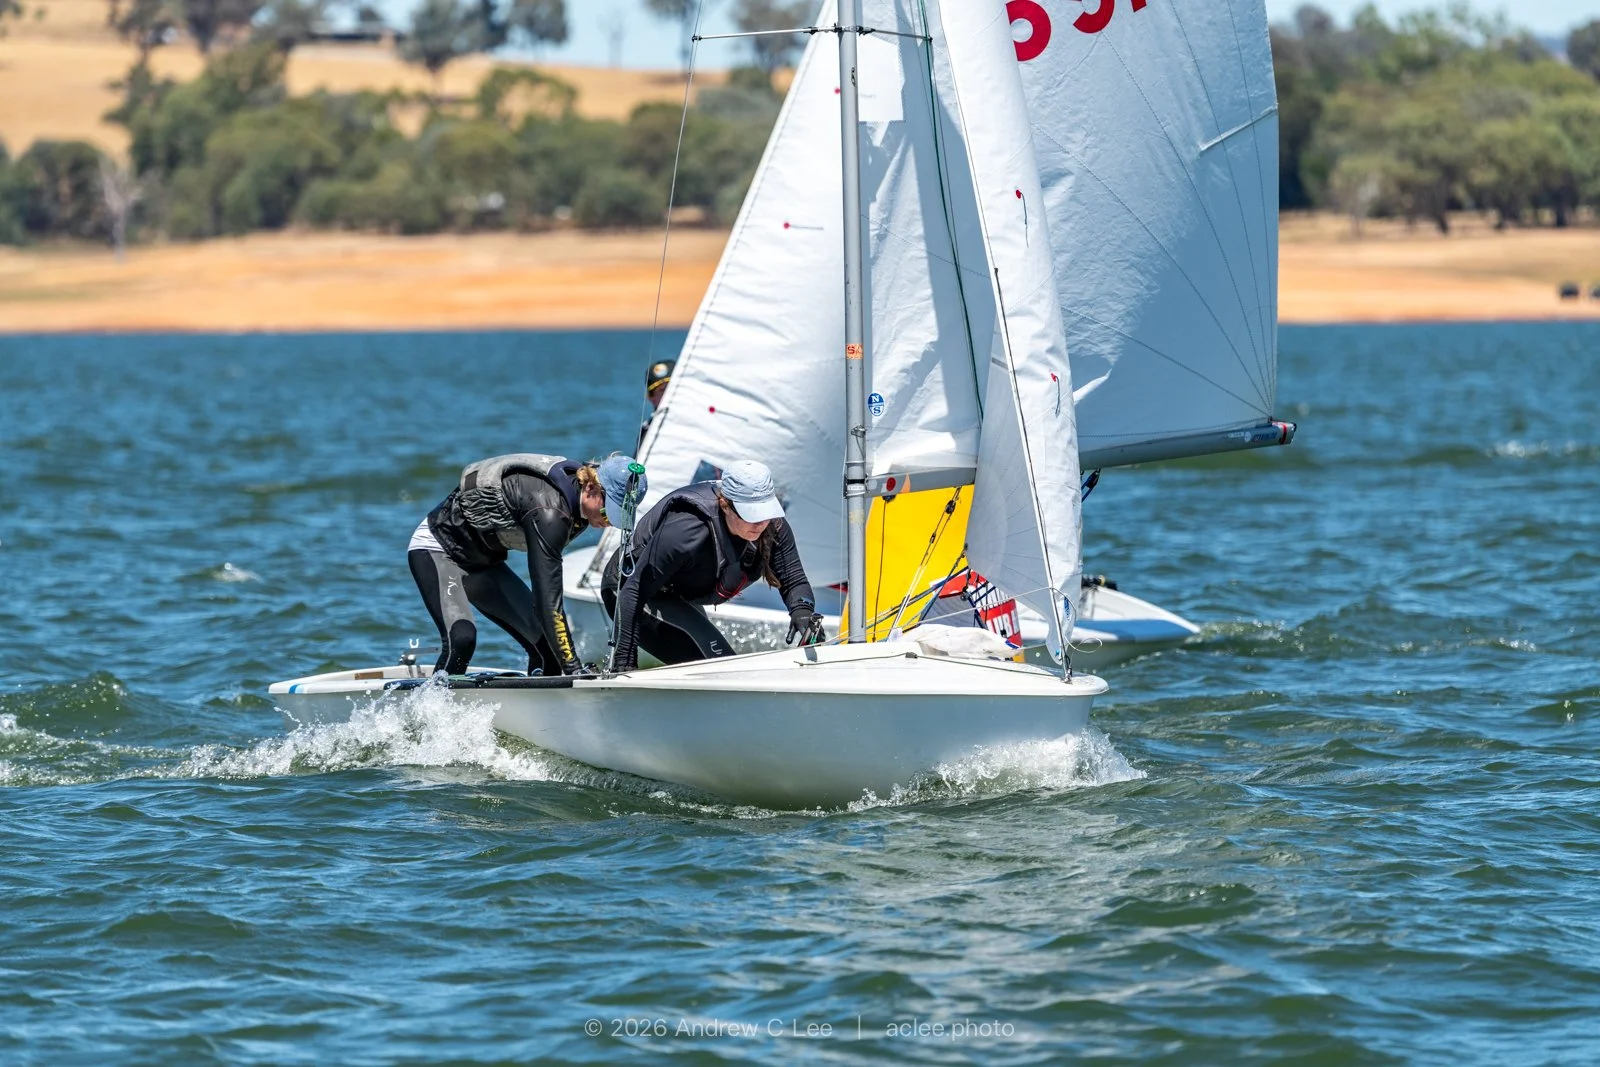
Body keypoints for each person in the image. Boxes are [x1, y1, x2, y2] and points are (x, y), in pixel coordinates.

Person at [409, 453, 646, 677]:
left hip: (485, 564)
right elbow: (548, 601)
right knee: (462, 640)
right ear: (591, 487)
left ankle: (545, 704)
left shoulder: (580, 502)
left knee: (548, 647)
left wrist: (569, 670)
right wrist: (574, 670)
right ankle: (432, 703)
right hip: (439, 549)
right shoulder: (550, 513)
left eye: (618, 514)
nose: (608, 521)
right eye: (607, 510)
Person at [603, 459, 824, 673]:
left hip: (675, 593)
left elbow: (794, 580)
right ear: (725, 505)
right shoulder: (687, 529)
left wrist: (802, 611)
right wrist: (625, 662)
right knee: (723, 669)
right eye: (751, 514)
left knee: (720, 666)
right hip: (628, 590)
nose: (760, 523)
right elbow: (634, 590)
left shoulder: (772, 526)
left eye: (765, 511)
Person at [637, 358, 675, 449]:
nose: (670, 393)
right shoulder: (648, 432)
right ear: (651, 398)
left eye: (673, 387)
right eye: (662, 390)